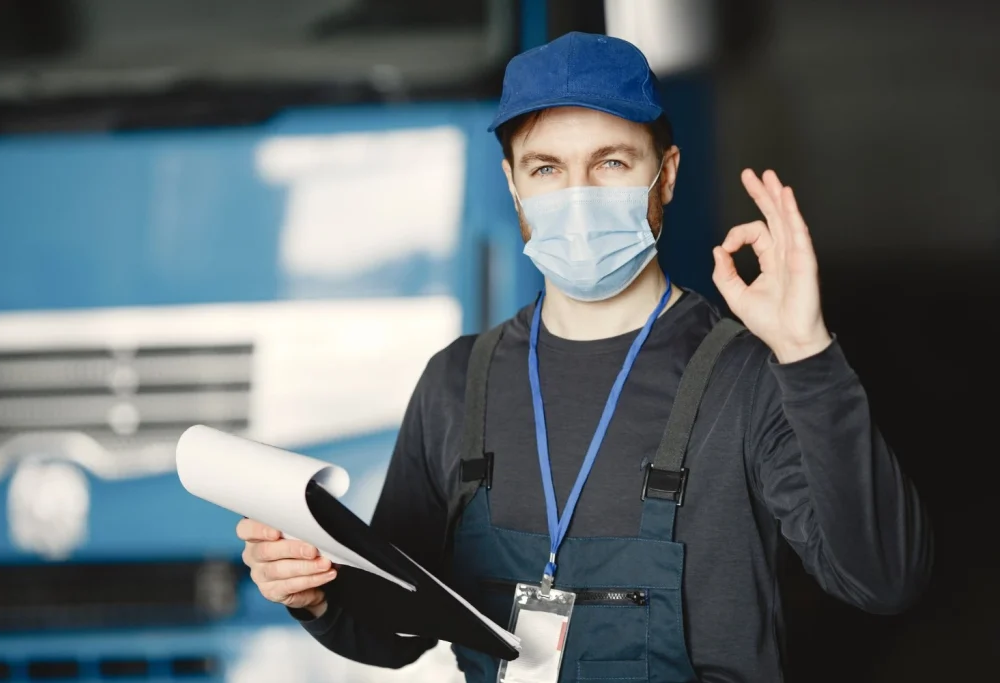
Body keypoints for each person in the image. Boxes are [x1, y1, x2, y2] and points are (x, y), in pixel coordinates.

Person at [236, 31, 932, 682]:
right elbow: (397, 627)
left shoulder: (748, 377)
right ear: (513, 184)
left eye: (611, 162)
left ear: (666, 175)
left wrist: (805, 351)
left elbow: (884, 579)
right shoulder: (458, 382)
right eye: (547, 168)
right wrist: (317, 594)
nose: (579, 197)